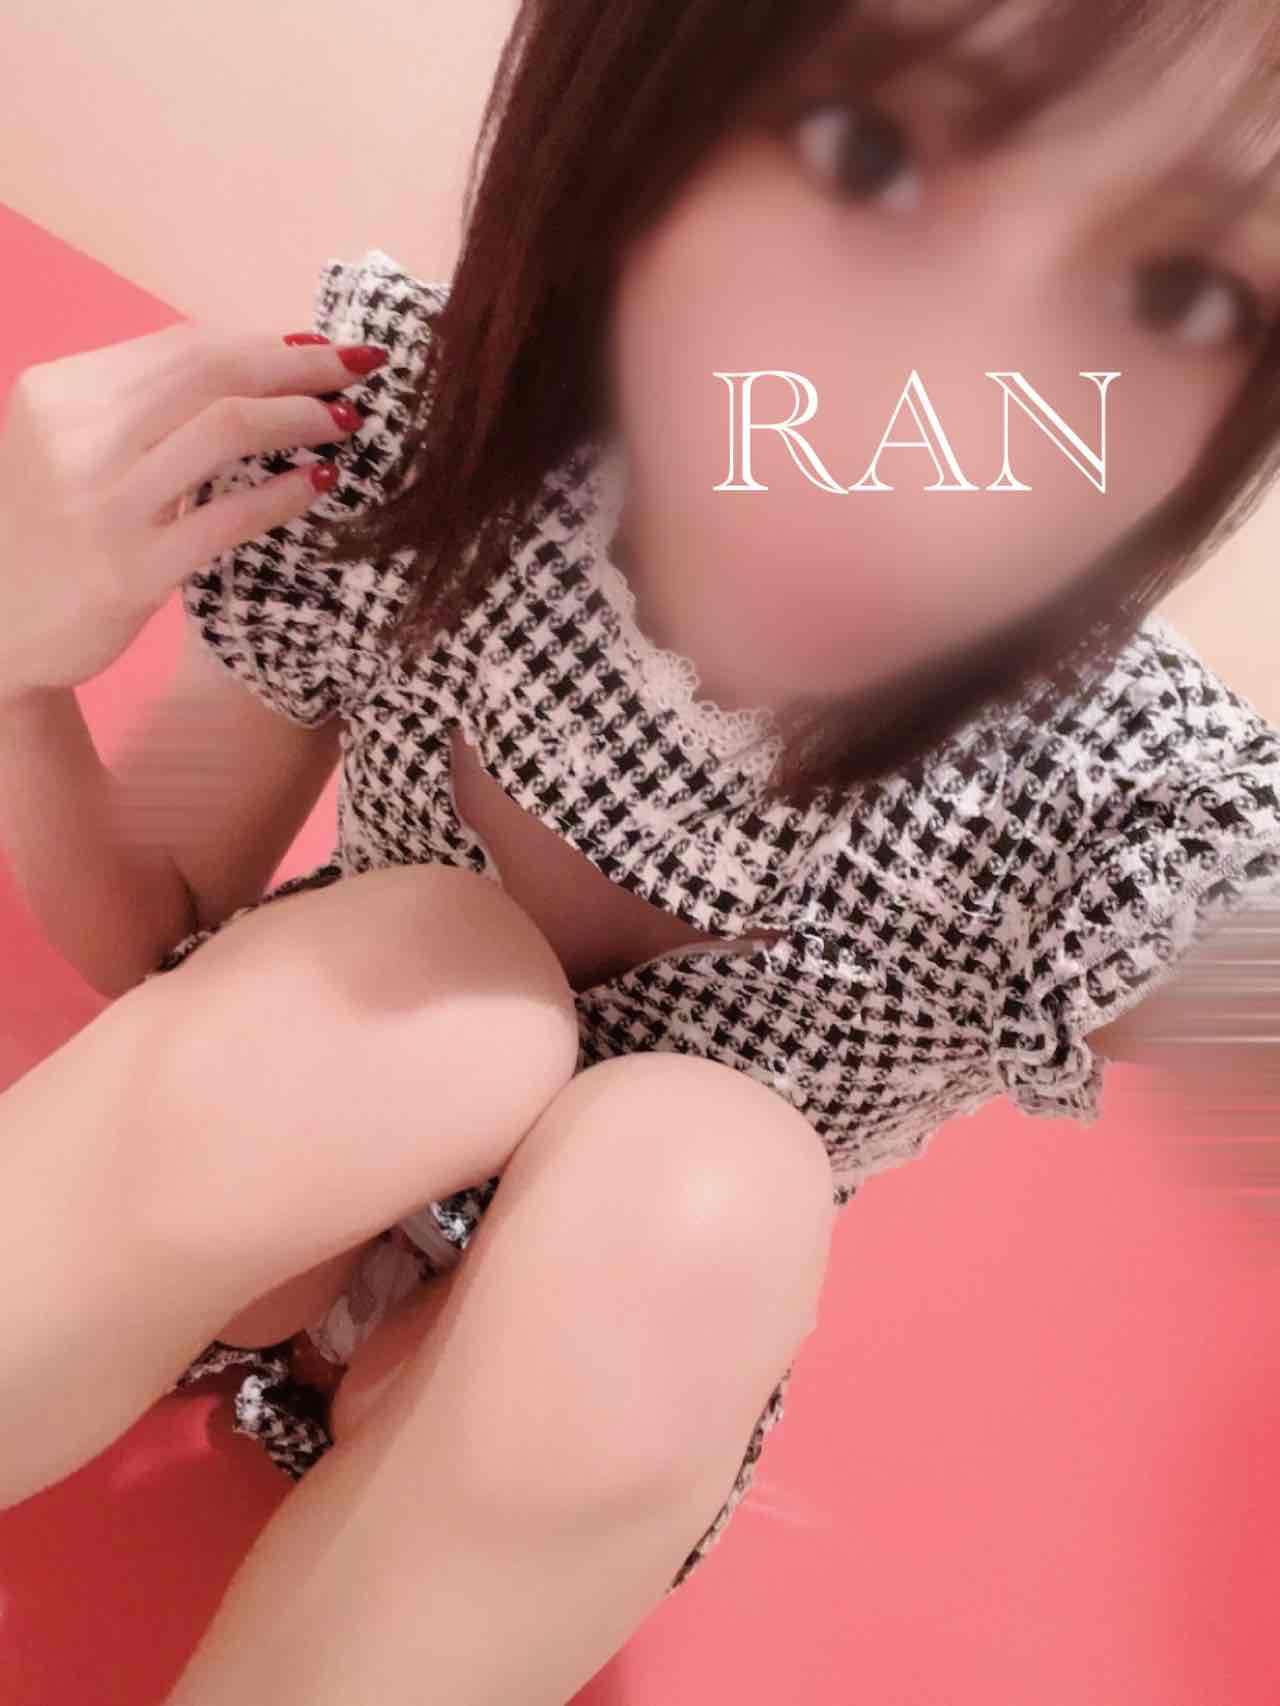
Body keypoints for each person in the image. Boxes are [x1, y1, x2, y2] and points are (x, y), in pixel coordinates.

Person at [4, 1, 1280, 1700]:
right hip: (253, 1168)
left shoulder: (1110, 799)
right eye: (868, 151)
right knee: (404, 984)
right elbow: (158, 917)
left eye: (1182, 293)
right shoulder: (420, 442)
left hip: (587, 1398)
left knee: (700, 1189)